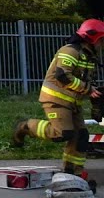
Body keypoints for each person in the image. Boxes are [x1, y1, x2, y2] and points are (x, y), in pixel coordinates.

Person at [13, 18, 104, 182]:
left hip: (73, 102)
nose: (102, 44)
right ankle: (25, 126)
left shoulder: (88, 56)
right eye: (101, 40)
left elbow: (84, 79)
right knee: (62, 133)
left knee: (81, 136)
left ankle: (72, 173)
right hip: (56, 99)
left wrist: (94, 93)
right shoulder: (70, 51)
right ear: (92, 38)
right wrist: (87, 89)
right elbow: (63, 76)